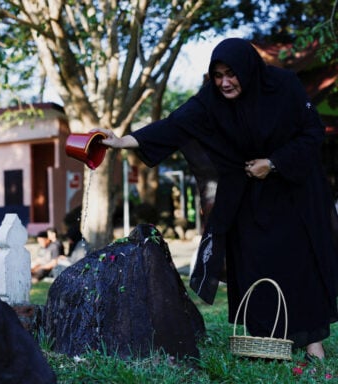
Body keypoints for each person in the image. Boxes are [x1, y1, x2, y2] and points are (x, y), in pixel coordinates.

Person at [92, 38, 338, 360]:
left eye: (231, 74)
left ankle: (312, 345)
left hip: (294, 191)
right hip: (248, 194)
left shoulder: (283, 86)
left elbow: (312, 133)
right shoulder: (211, 100)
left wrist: (273, 162)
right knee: (254, 262)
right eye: (218, 74)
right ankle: (267, 341)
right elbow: (174, 125)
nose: (224, 82)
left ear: (248, 70)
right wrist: (124, 140)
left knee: (298, 262)